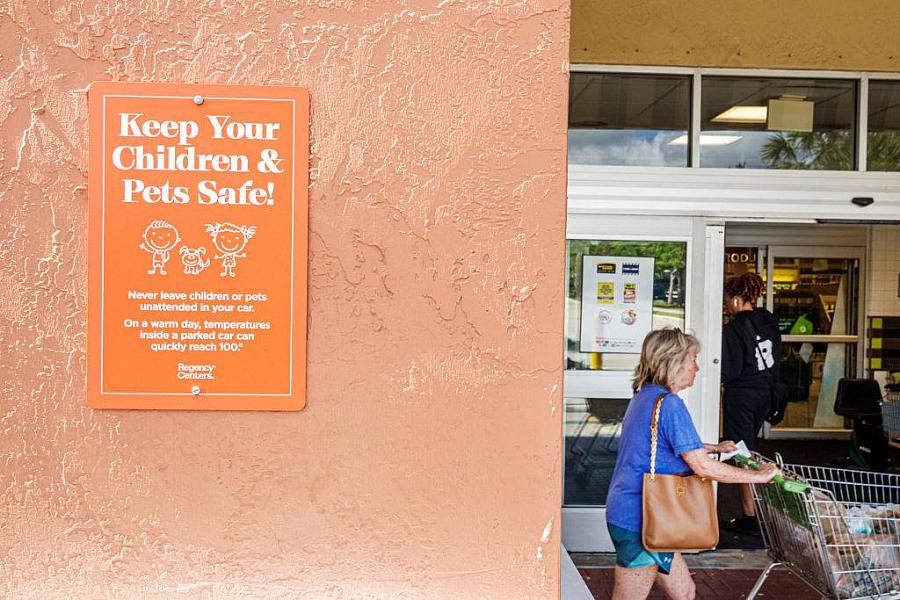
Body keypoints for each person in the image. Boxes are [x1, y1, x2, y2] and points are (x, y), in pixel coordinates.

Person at [606, 328, 779, 600]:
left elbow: (660, 444)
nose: (697, 367)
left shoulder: (647, 396)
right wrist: (759, 477)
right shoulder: (670, 404)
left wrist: (713, 448)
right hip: (643, 520)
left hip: (648, 516)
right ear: (674, 362)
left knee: (685, 592)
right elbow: (703, 467)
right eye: (693, 358)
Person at [721, 272, 782, 535]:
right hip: (765, 393)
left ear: (736, 299)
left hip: (742, 396)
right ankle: (758, 510)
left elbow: (730, 370)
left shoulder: (735, 328)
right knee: (750, 449)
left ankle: (751, 516)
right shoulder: (769, 321)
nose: (725, 305)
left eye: (726, 300)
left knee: (741, 452)